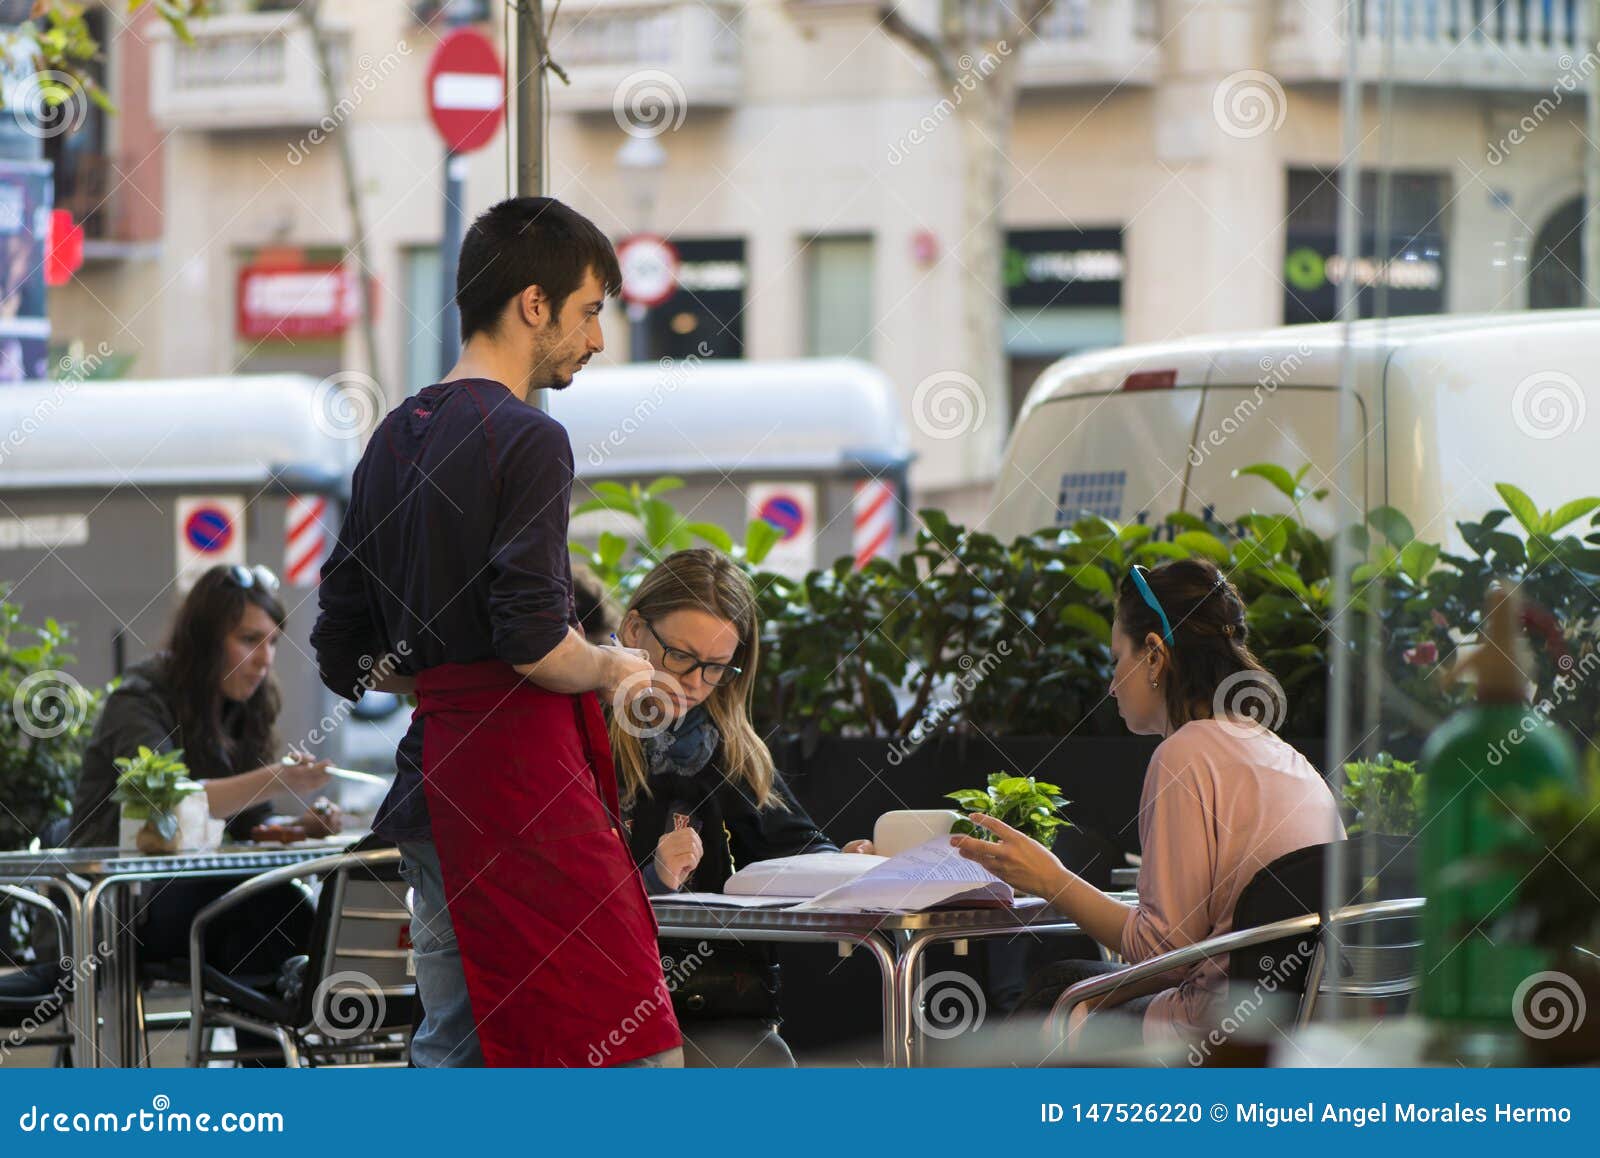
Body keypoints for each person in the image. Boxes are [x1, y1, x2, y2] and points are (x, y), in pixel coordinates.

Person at [311, 196, 680, 1069]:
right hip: (524, 790)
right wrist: (614, 666)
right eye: (591, 311)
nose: (596, 340)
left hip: (435, 787)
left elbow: (342, 652)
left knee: (456, 1046)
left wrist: (442, 672)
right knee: (628, 1053)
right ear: (533, 303)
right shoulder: (529, 439)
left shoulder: (390, 440)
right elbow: (533, 640)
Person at [951, 558, 1343, 1049]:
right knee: (1064, 983)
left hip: (1216, 1033)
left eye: (1118, 658)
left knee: (1048, 997)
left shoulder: (1184, 755)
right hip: (1295, 1026)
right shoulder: (1282, 753)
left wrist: (1051, 880)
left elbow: (1162, 949)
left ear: (1155, 655)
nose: (1112, 683)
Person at [60, 563, 338, 1063]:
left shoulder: (247, 705)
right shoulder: (140, 696)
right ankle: (274, 1069)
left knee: (272, 906)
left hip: (208, 905)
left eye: (273, 643)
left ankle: (274, 1064)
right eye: (250, 639)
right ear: (207, 640)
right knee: (264, 909)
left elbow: (252, 826)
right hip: (120, 910)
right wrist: (278, 776)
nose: (264, 660)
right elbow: (164, 802)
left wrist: (297, 828)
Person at [609, 548, 872, 1067]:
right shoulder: (578, 730)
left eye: (715, 669)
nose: (694, 684)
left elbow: (792, 846)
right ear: (634, 629)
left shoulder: (730, 745)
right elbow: (560, 895)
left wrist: (847, 861)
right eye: (680, 656)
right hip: (611, 1000)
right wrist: (652, 878)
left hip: (719, 1000)